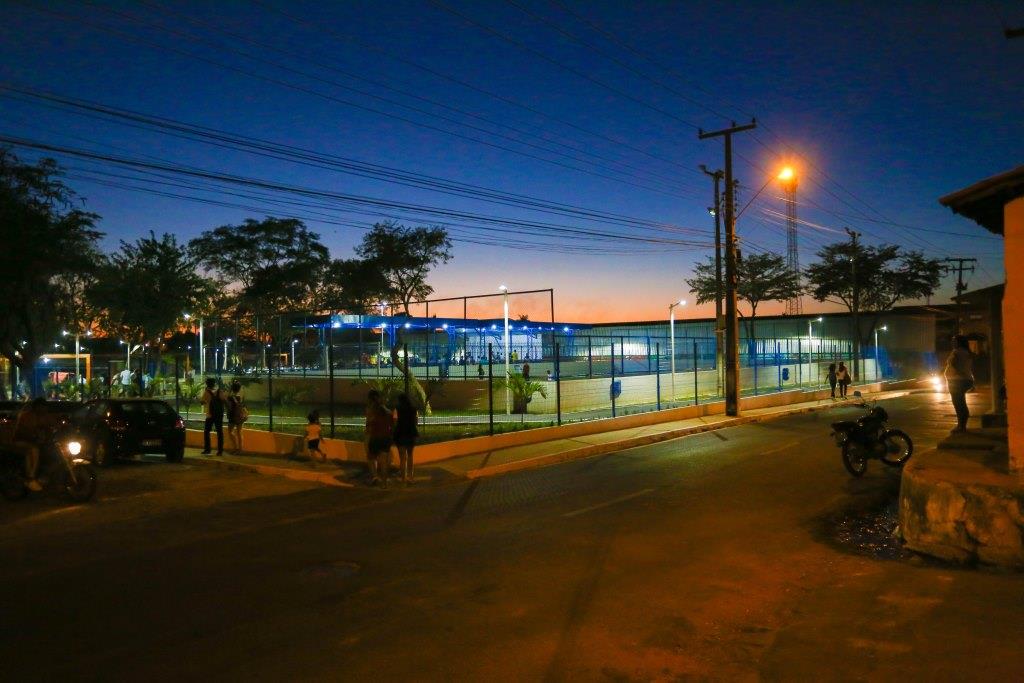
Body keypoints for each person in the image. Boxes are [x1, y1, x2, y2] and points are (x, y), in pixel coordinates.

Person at [12, 398, 51, 491]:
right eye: (41, 407)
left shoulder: (45, 416)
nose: (43, 409)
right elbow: (24, 431)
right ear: (36, 407)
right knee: (34, 450)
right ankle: (31, 477)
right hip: (20, 441)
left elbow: (51, 426)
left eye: (44, 407)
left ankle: (44, 475)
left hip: (35, 441)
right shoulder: (27, 416)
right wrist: (35, 436)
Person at [364, 390, 395, 487]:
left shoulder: (370, 411)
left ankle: (375, 477)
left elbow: (368, 425)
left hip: (375, 437)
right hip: (386, 438)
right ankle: (384, 483)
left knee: (370, 457)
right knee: (384, 461)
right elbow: (392, 425)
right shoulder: (388, 411)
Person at [945, 335, 975, 433]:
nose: (952, 343)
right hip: (965, 380)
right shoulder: (966, 352)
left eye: (954, 341)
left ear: (959, 342)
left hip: (957, 381)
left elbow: (954, 364)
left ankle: (961, 426)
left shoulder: (957, 352)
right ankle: (962, 425)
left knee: (958, 403)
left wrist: (956, 371)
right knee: (961, 402)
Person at [393, 393, 419, 484]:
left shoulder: (397, 409)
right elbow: (416, 422)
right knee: (410, 456)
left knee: (402, 458)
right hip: (411, 434)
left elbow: (395, 422)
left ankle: (403, 478)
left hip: (400, 434)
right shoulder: (414, 409)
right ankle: (411, 477)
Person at [200, 378, 226, 455]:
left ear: (207, 384)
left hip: (210, 415)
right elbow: (224, 400)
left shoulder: (206, 392)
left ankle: (207, 449)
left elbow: (202, 402)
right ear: (214, 384)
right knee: (219, 432)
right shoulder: (219, 391)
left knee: (206, 431)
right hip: (219, 415)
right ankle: (220, 451)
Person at [226, 380, 245, 454]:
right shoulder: (239, 397)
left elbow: (229, 407)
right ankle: (240, 449)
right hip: (239, 416)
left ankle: (235, 448)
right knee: (239, 432)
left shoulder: (230, 397)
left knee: (230, 432)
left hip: (232, 416)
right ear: (239, 389)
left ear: (232, 388)